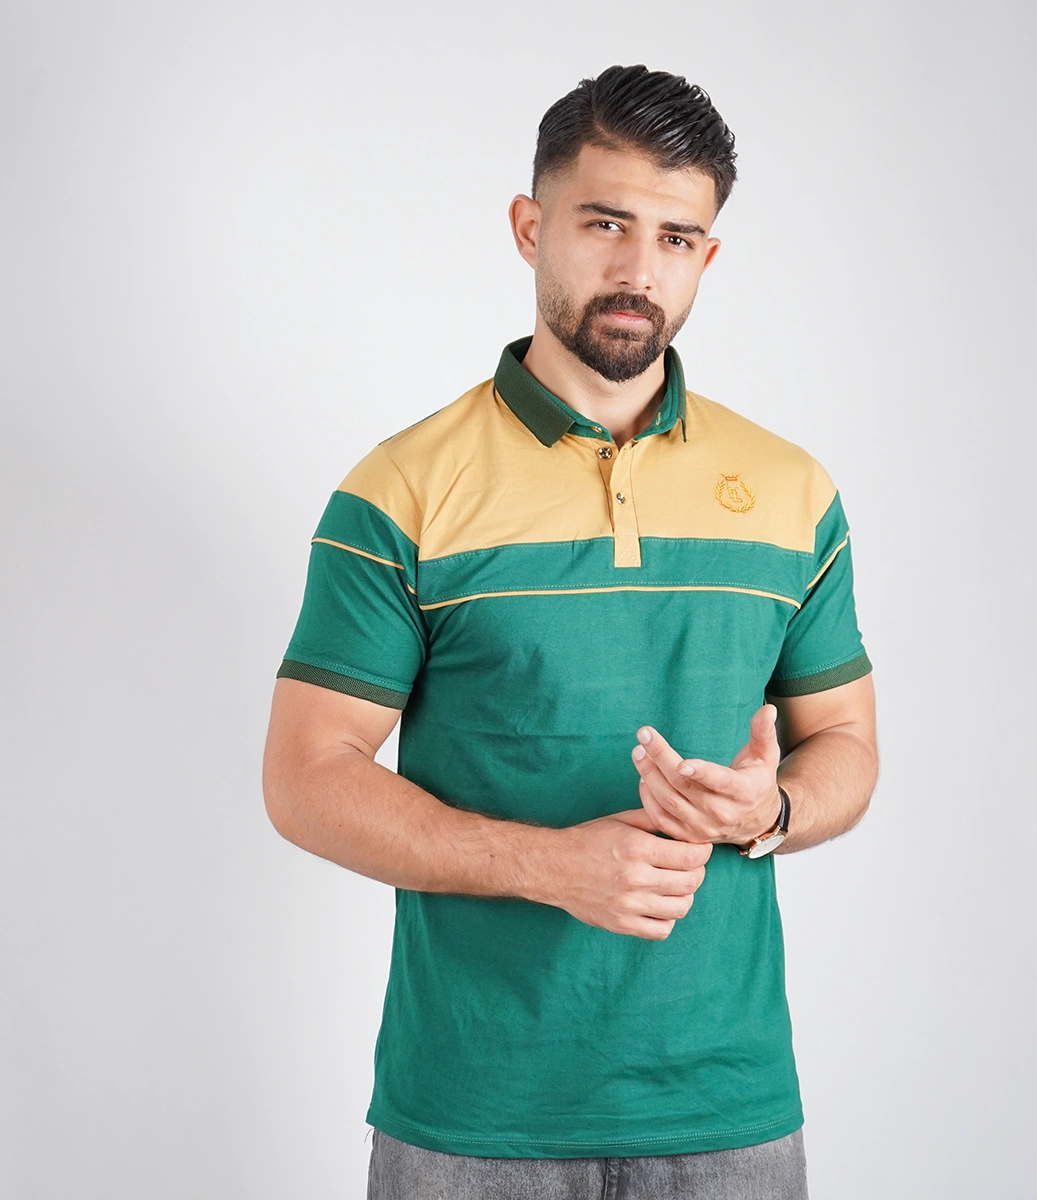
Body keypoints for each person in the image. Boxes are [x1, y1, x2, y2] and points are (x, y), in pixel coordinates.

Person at [263, 63, 877, 1200]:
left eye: (676, 238)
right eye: (605, 223)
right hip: (471, 1117)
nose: (640, 270)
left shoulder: (793, 493)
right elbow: (304, 778)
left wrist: (774, 809)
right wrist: (549, 866)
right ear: (529, 227)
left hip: (730, 1109)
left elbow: (844, 743)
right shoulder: (402, 490)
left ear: (708, 258)